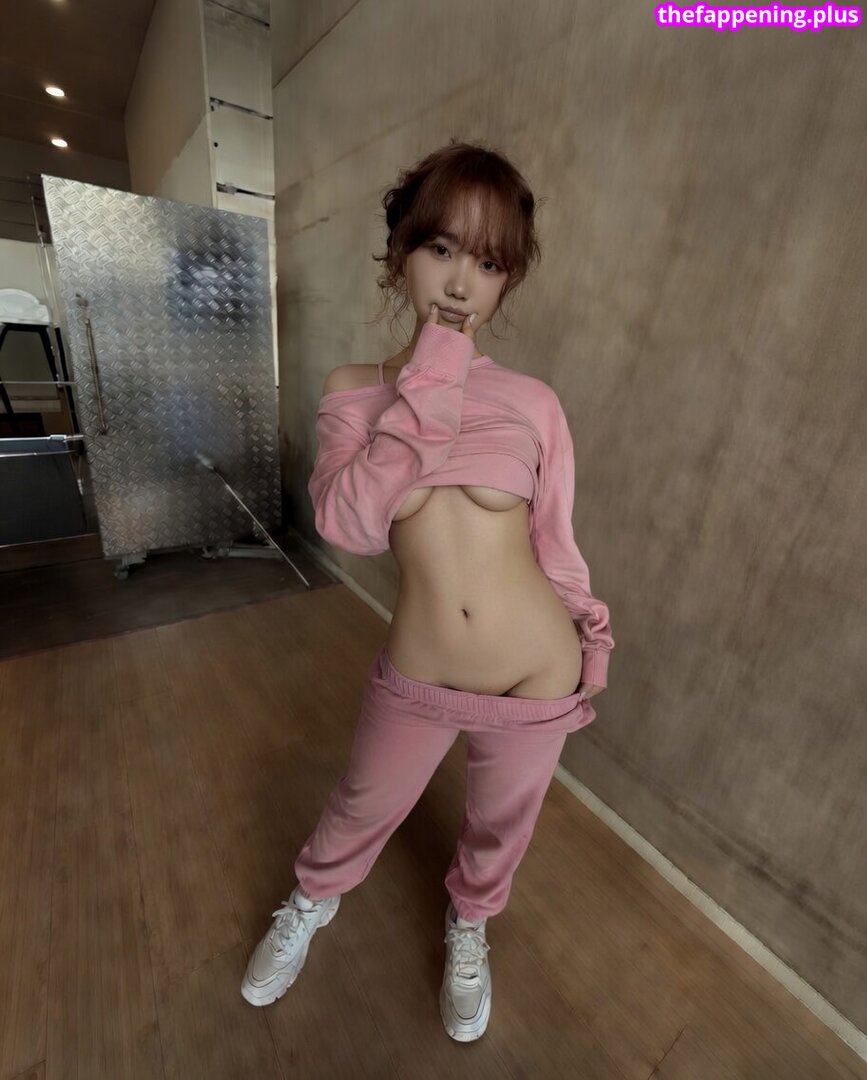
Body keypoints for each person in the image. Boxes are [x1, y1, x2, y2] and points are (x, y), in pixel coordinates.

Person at [241, 140, 614, 1043]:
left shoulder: (534, 403)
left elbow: (554, 543)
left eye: (487, 264)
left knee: (499, 828)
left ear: (506, 281)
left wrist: (590, 637)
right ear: (400, 253)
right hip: (422, 669)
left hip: (536, 673)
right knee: (362, 803)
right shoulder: (351, 393)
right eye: (441, 249)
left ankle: (469, 925)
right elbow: (350, 523)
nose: (460, 283)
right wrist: (432, 374)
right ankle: (311, 902)